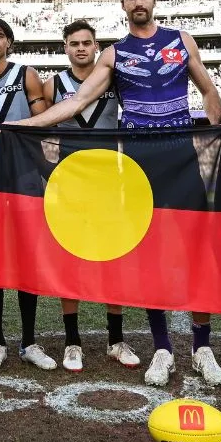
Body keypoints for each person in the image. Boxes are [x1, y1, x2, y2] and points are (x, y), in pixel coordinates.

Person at [9, 0, 221, 388]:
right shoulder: (113, 54)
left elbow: (208, 92)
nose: (138, 2)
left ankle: (203, 349)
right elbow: (75, 101)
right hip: (138, 164)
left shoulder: (182, 40)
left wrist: (217, 127)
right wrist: (23, 124)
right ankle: (162, 348)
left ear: (154, 0)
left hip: (183, 156)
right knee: (149, 254)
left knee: (196, 251)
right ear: (123, 5)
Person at [46, 19, 139, 373]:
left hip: (109, 182)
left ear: (96, 46)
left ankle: (115, 339)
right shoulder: (52, 83)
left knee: (111, 260)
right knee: (70, 261)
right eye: (74, 43)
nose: (81, 48)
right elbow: (41, 130)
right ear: (65, 47)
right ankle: (73, 342)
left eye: (87, 43)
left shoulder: (116, 80)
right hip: (68, 183)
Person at [0, 17, 54, 373]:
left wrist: (3, 132)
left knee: (27, 256)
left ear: (9, 43)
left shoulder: (26, 75)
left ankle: (29, 341)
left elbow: (43, 124)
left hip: (24, 175)